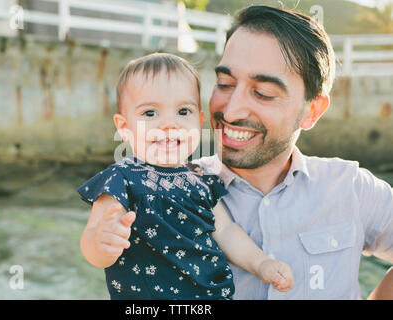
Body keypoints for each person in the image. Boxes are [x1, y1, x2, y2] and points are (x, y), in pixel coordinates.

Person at [90, 6, 393, 299]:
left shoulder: (352, 188)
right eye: (224, 83)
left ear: (312, 111)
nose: (231, 111)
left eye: (263, 93)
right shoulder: (170, 185)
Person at [77, 53, 294, 299]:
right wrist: (102, 243)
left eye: (183, 111)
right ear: (124, 127)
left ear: (198, 121)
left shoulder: (201, 178)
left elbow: (225, 232)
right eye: (150, 113)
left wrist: (261, 263)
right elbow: (92, 238)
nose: (169, 123)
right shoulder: (121, 178)